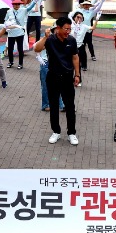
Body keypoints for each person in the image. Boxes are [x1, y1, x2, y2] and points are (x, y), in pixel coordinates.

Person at [33, 17, 80, 145]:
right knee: (53, 106)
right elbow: (37, 49)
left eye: (70, 29)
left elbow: (75, 57)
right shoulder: (50, 40)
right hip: (52, 77)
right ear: (58, 28)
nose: (68, 31)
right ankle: (56, 132)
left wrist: (77, 75)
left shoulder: (71, 40)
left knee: (70, 106)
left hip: (67, 77)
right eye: (66, 29)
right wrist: (45, 37)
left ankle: (72, 133)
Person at [37, 28, 65, 112]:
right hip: (45, 64)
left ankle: (61, 105)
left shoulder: (62, 39)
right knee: (46, 85)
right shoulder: (46, 38)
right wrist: (46, 38)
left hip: (57, 64)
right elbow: (36, 48)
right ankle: (45, 105)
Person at [4, 0, 36, 69]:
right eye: (15, 4)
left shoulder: (23, 10)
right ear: (12, 4)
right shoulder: (9, 11)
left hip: (20, 33)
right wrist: (8, 25)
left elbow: (30, 8)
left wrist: (34, 2)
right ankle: (10, 62)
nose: (17, 5)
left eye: (18, 4)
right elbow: (5, 20)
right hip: (11, 33)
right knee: (10, 48)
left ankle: (20, 63)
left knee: (20, 48)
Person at [71, 11, 100, 79]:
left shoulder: (84, 26)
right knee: (70, 64)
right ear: (74, 17)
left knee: (78, 64)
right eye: (77, 17)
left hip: (79, 47)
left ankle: (78, 79)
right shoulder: (71, 25)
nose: (79, 19)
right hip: (71, 47)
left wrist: (97, 19)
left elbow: (93, 28)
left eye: (81, 18)